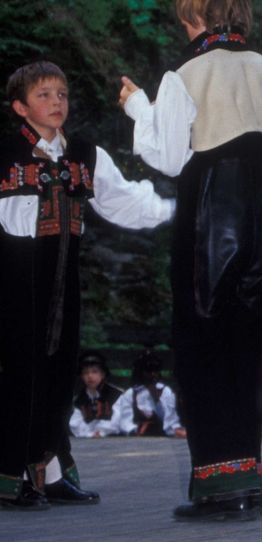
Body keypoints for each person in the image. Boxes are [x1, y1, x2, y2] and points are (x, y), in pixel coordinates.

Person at [121, 0, 262, 522]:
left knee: (201, 346)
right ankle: (248, 481)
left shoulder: (187, 74)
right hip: (256, 222)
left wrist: (136, 108)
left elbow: (169, 157)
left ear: (195, 17)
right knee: (244, 346)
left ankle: (219, 487)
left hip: (206, 222)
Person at [0, 62, 174, 511]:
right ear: (20, 107)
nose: (56, 102)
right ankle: (11, 476)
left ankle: (51, 473)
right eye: (43, 95)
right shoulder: (3, 154)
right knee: (21, 373)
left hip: (63, 283)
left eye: (62, 93)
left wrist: (176, 209)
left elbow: (123, 201)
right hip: (14, 284)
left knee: (58, 373)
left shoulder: (84, 154)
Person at [113, 349, 183, 437]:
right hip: (136, 438)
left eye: (155, 370)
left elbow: (168, 419)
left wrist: (156, 398)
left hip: (162, 438)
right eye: (148, 371)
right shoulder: (131, 393)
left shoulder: (165, 391)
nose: (153, 374)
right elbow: (125, 421)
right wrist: (134, 431)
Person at [69, 351, 124, 439]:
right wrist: (90, 434)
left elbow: (117, 419)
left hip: (113, 439)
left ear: (102, 374)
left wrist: (101, 432)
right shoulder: (80, 399)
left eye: (94, 372)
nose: (90, 376)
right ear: (81, 377)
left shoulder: (114, 395)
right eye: (86, 373)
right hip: (88, 439)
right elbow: (75, 423)